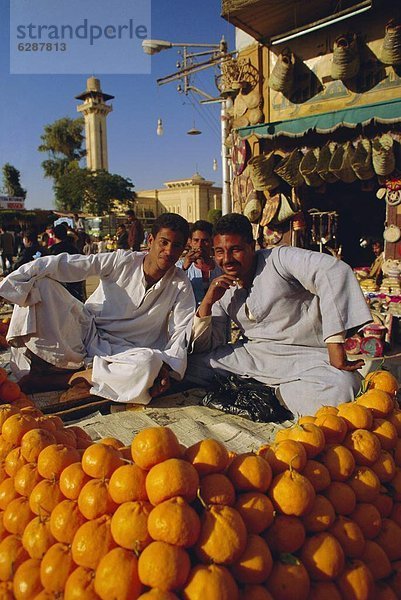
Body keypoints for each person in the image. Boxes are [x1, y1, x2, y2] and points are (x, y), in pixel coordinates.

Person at [0, 213, 195, 405]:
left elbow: (181, 331)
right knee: (39, 286)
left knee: (149, 365)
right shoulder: (122, 261)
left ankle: (62, 380)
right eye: (164, 242)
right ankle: (91, 378)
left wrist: (168, 369)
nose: (169, 251)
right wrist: (9, 285)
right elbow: (69, 264)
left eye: (176, 245)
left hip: (127, 354)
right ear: (151, 240)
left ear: (182, 250)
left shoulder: (180, 284)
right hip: (86, 333)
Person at [188, 213, 372, 416]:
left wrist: (335, 345)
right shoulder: (222, 286)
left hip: (306, 356)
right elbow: (207, 345)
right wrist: (207, 302)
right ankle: (267, 393)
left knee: (343, 387)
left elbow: (332, 270)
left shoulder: (278, 259)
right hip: (254, 356)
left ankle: (270, 395)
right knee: (189, 367)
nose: (227, 259)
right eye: (220, 252)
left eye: (236, 250)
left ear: (252, 246)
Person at [177, 220, 222, 305]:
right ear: (190, 242)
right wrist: (184, 268)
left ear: (212, 242)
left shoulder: (220, 266)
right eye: (196, 240)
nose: (200, 245)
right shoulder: (179, 266)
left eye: (205, 241)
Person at [49, 224, 86, 302]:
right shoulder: (74, 249)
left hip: (58, 287)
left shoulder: (52, 250)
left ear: (54, 235)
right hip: (74, 285)